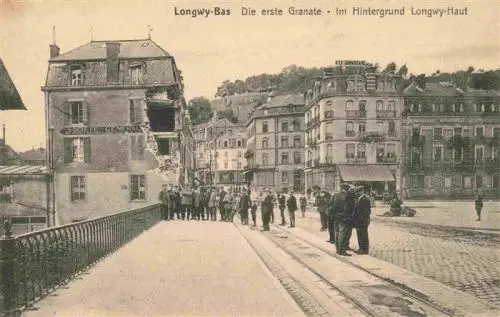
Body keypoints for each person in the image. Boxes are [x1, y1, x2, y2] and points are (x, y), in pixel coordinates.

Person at [337, 185, 356, 256]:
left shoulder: (346, 196)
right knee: (343, 234)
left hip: (347, 218)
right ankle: (341, 250)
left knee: (347, 233)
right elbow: (345, 208)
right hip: (345, 218)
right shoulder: (345, 196)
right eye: (349, 190)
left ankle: (345, 247)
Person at [352, 186, 371, 255]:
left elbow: (366, 211)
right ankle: (362, 249)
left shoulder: (364, 199)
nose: (358, 193)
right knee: (361, 234)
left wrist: (361, 220)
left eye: (359, 192)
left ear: (362, 191)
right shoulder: (360, 198)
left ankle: (363, 249)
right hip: (360, 220)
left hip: (362, 221)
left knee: (362, 235)